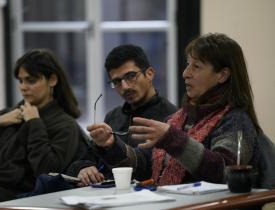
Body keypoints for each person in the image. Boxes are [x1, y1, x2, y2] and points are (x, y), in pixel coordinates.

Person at [88, 33, 261, 185]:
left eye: (196, 66)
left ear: (222, 75)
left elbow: (224, 172)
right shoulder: (179, 118)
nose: (186, 73)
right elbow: (144, 167)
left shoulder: (235, 119)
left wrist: (173, 139)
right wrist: (111, 145)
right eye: (188, 64)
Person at [0, 49, 83, 210]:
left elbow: (47, 170)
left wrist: (34, 122)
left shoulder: (64, 124)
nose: (23, 87)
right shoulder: (6, 114)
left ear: (52, 80)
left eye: (31, 81)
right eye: (20, 81)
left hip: (1, 192)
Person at [67, 44, 177, 185]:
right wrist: (85, 168)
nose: (124, 86)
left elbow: (152, 169)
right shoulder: (113, 116)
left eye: (131, 76)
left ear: (149, 73)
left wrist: (113, 146)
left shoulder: (172, 117)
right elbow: (86, 157)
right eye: (117, 81)